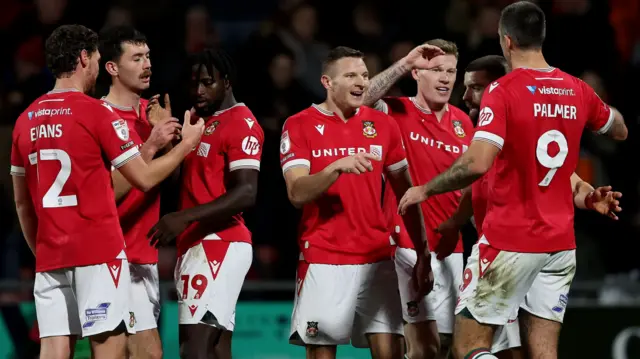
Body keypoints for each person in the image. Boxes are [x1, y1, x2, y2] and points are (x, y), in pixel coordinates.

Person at [398, 2, 628, 359]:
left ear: (506, 41)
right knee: (543, 353)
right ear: (541, 37)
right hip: (560, 245)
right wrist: (601, 112)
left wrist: (425, 189)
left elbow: (477, 163)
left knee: (467, 346)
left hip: (512, 239)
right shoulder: (576, 89)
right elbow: (619, 129)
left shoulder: (503, 91)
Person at [10, 24, 204, 359]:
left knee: (54, 350)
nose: (97, 68)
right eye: (97, 59)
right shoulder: (95, 111)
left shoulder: (25, 119)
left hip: (52, 254)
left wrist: (42, 249)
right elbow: (140, 178)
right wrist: (186, 145)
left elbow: (21, 203)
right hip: (99, 251)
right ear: (85, 58)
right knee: (112, 347)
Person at [280, 46, 432, 359]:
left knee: (391, 353)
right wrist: (335, 167)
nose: (361, 81)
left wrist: (422, 252)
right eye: (350, 75)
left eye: (364, 75)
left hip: (377, 257)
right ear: (327, 82)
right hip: (324, 258)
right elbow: (296, 193)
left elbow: (408, 195)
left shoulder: (384, 126)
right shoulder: (299, 124)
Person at [146, 48, 263, 359]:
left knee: (193, 350)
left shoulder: (242, 122)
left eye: (207, 82)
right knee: (216, 349)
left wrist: (184, 218)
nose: (198, 91)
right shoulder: (197, 121)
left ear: (226, 82)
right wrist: (167, 140)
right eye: (193, 83)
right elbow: (182, 182)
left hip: (219, 243)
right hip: (197, 243)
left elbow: (246, 192)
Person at [365, 39, 472, 359]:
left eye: (451, 71)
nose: (445, 78)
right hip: (405, 244)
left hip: (450, 249)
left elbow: (471, 187)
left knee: (443, 348)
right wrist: (403, 62)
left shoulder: (463, 123)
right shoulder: (397, 111)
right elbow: (362, 100)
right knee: (420, 347)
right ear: (417, 74)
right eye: (436, 70)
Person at [99, 25, 178, 359]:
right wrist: (153, 145)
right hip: (111, 256)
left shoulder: (153, 114)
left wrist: (170, 142)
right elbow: (102, 193)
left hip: (144, 255)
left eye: (148, 56)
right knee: (146, 353)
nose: (147, 64)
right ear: (112, 67)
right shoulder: (97, 116)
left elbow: (168, 185)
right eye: (136, 58)